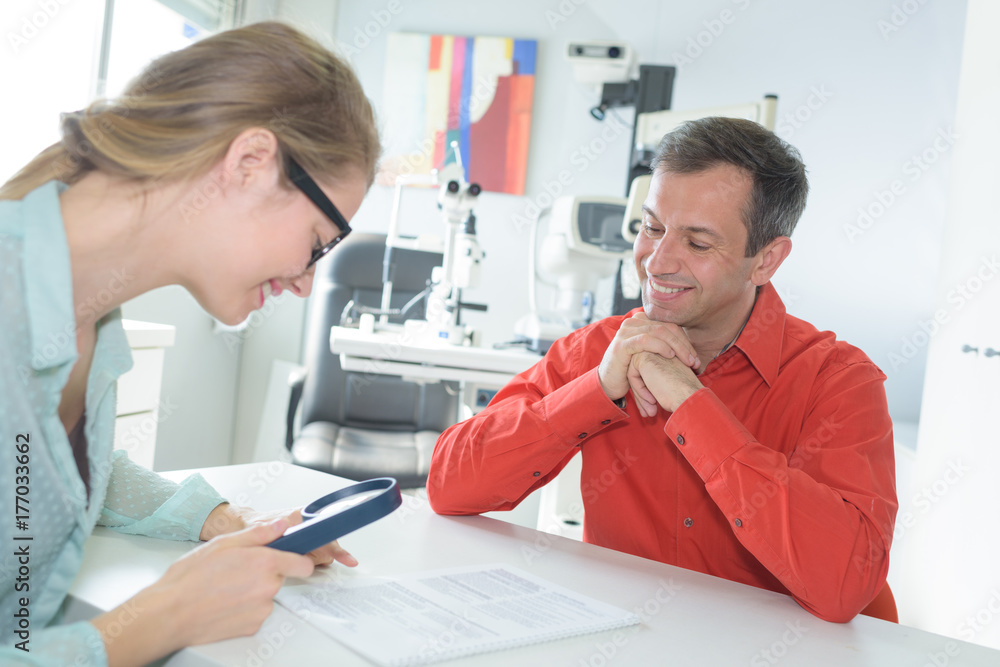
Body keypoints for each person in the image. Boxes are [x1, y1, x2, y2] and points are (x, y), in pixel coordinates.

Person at [0, 21, 380, 666]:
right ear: (250, 162)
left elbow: (34, 473)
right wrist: (164, 616)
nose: (309, 283)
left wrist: (217, 519)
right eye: (319, 242)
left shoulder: (90, 317)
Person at [428, 117, 898, 624]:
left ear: (766, 261)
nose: (657, 262)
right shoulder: (600, 352)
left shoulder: (840, 381)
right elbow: (449, 486)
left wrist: (696, 408)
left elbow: (846, 583)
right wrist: (596, 391)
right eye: (651, 228)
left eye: (697, 244)